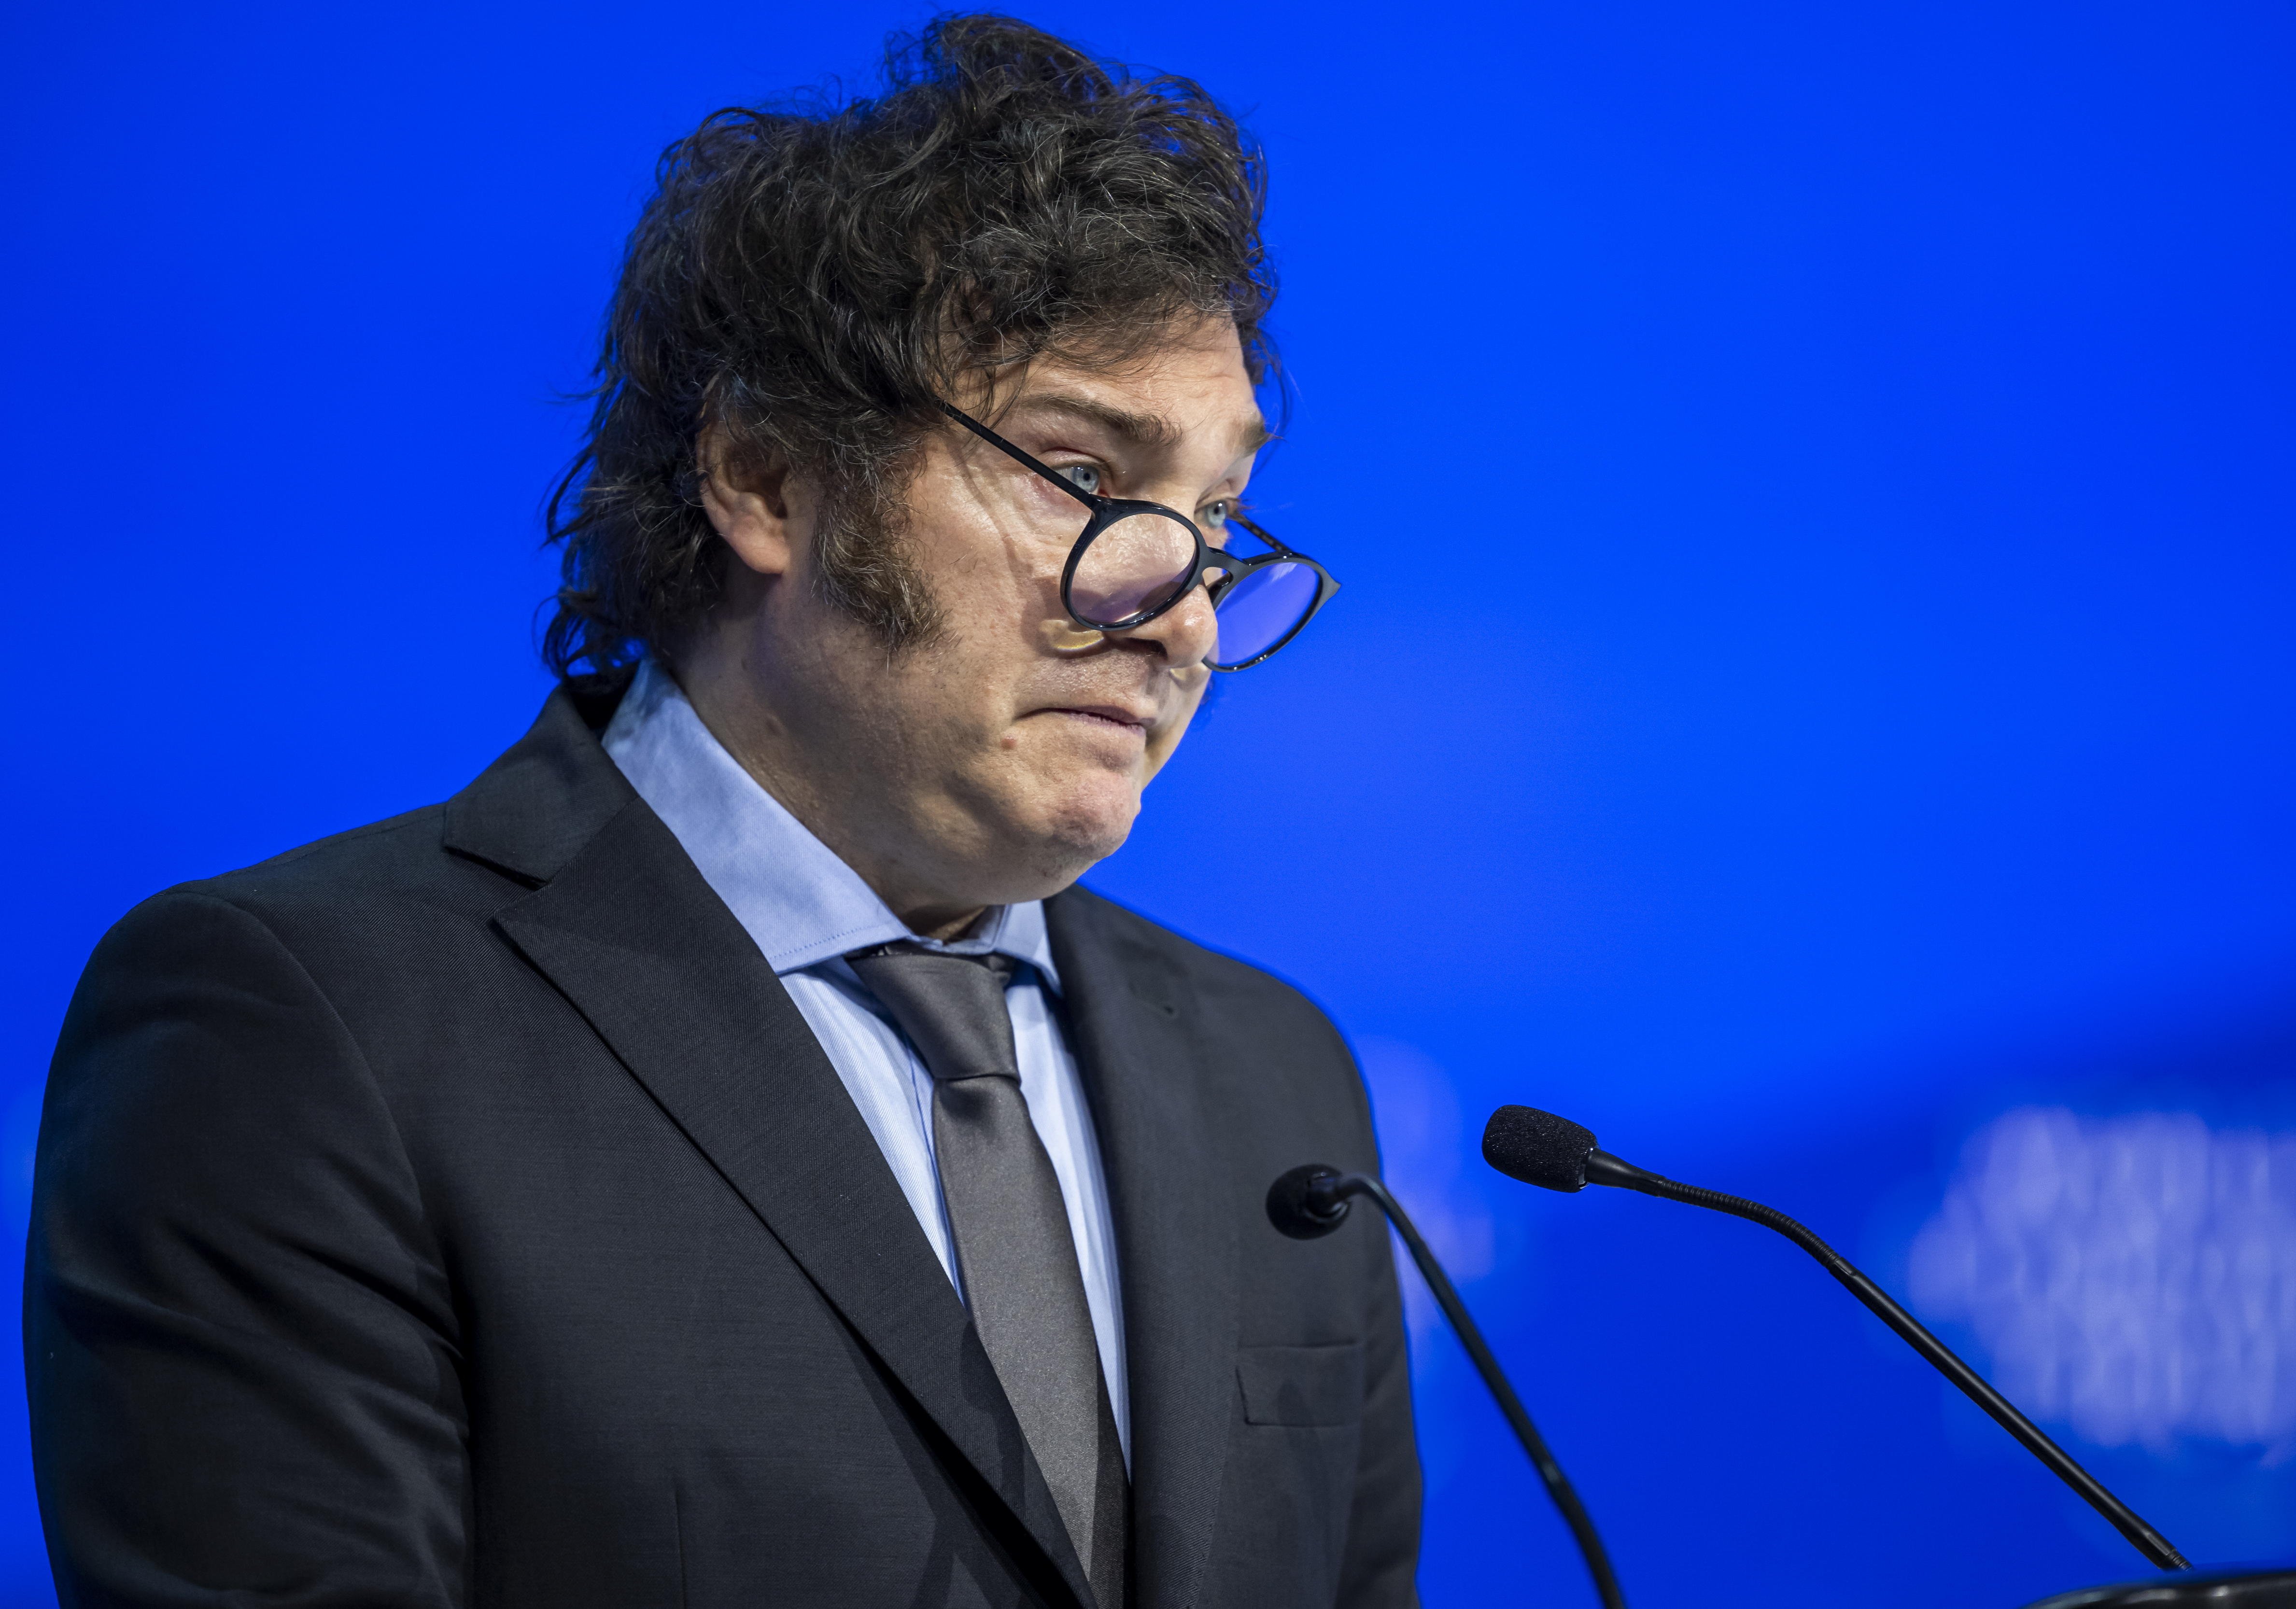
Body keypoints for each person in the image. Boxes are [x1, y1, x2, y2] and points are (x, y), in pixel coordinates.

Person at [25, 16, 1418, 1609]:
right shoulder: (304, 1028)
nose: (1183, 616)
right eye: (1084, 478)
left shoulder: (1274, 1078)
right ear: (764, 476)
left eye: (1216, 517)